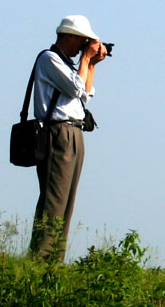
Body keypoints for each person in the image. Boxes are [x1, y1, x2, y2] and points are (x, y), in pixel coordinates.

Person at [28, 15, 107, 262]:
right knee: (54, 199)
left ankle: (54, 260)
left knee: (66, 201)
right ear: (69, 36)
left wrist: (91, 65)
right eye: (82, 41)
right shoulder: (49, 59)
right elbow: (75, 88)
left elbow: (84, 95)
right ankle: (40, 259)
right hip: (57, 132)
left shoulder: (69, 65)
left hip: (75, 131)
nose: (83, 46)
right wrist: (85, 59)